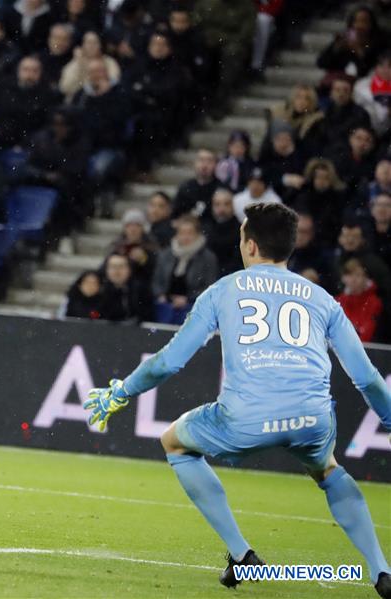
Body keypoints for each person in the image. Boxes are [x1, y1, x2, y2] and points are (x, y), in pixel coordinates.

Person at [84, 202, 391, 597]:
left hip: (245, 419)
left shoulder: (223, 291)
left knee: (174, 441)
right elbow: (365, 377)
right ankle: (381, 570)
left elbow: (168, 362)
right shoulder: (321, 299)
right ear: (289, 248)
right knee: (329, 470)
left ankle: (243, 555)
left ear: (248, 245)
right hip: (313, 418)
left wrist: (121, 392)